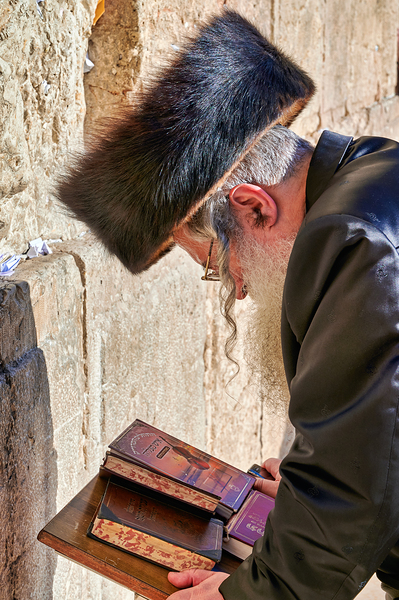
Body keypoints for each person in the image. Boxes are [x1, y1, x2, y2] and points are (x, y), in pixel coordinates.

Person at [57, 9, 399, 600]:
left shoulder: (354, 244)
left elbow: (354, 489)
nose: (237, 288)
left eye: (218, 264)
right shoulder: (375, 176)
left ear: (253, 207)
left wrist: (237, 596)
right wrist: (300, 497)